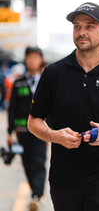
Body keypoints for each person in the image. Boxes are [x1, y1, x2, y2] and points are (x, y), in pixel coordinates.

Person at [27, 2, 99, 211]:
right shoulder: (53, 73)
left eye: (89, 26)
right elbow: (33, 122)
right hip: (64, 178)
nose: (81, 32)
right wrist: (54, 136)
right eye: (77, 26)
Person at [7, 46, 46, 211]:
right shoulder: (18, 82)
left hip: (41, 132)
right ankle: (35, 191)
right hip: (22, 131)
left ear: (40, 60)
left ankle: (36, 195)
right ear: (25, 60)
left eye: (35, 57)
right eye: (29, 57)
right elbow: (12, 107)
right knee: (27, 163)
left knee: (38, 162)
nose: (32, 60)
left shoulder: (46, 82)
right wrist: (10, 132)